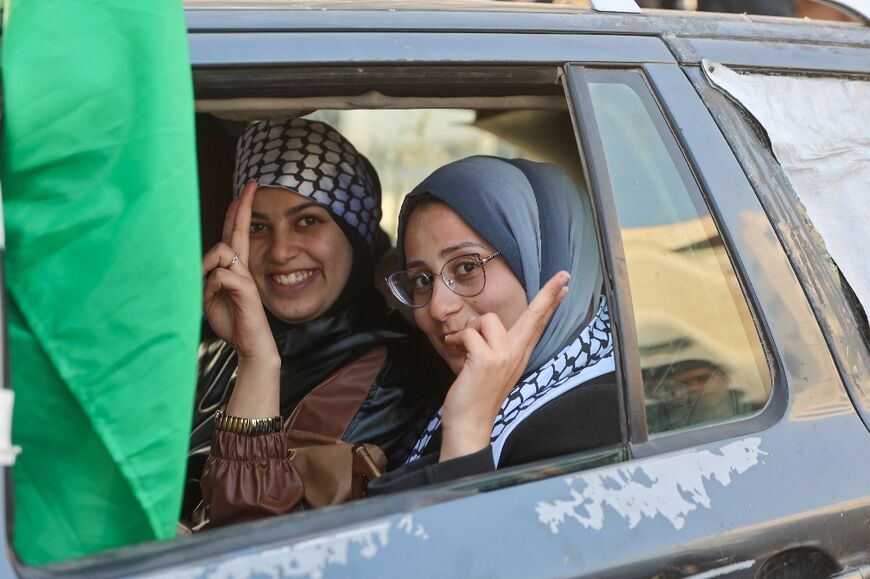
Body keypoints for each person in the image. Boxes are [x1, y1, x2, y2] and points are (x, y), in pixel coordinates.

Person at [184, 118, 450, 526]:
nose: (281, 251)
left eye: (307, 220)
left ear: (354, 234)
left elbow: (261, 543)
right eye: (257, 226)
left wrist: (258, 364)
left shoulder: (395, 378)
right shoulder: (214, 349)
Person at [369, 156, 622, 492]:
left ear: (544, 262)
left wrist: (467, 427)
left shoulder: (592, 423)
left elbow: (462, 543)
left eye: (466, 268)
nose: (438, 308)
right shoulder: (443, 385)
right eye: (422, 280)